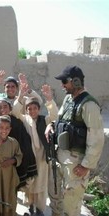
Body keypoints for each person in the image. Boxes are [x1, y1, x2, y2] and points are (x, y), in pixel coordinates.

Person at [45, 65, 105, 216]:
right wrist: (50, 126)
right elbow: (59, 120)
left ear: (76, 82)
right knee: (57, 200)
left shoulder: (89, 105)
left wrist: (86, 165)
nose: (62, 85)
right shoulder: (68, 99)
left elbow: (97, 138)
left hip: (76, 163)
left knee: (71, 206)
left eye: (65, 81)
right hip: (60, 158)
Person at [12, 83, 58, 216]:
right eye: (29, 109)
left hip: (42, 157)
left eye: (35, 108)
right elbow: (15, 111)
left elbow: (54, 115)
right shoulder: (25, 119)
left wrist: (49, 99)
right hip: (29, 157)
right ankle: (30, 207)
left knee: (41, 184)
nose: (32, 111)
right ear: (26, 110)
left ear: (38, 109)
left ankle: (40, 209)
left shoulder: (45, 120)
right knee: (30, 183)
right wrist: (21, 95)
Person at [0, 97, 37, 190]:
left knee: (12, 191)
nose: (2, 110)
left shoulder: (17, 123)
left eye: (5, 106)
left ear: (10, 108)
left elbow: (25, 145)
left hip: (15, 163)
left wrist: (14, 160)